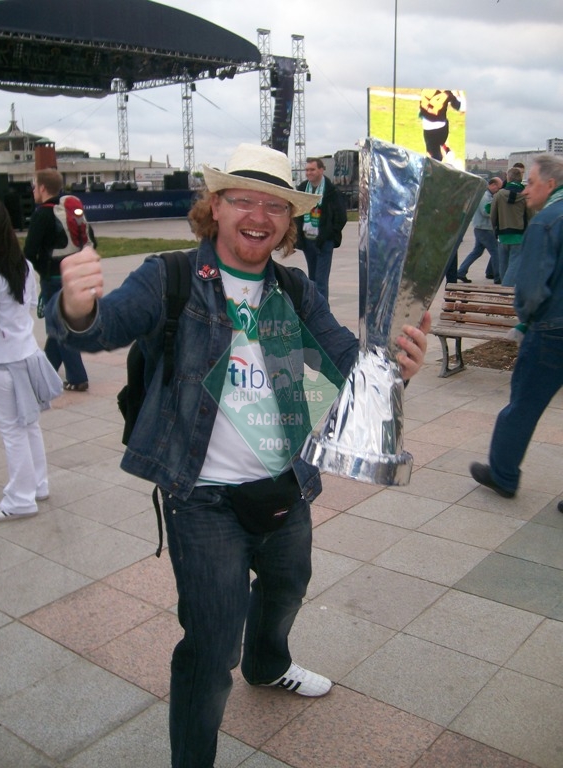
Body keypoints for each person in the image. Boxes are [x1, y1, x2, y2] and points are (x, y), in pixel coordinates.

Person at [45, 143, 430, 768]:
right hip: (202, 498)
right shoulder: (170, 278)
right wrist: (76, 306)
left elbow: (346, 366)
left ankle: (268, 664)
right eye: (243, 200)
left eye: (275, 205)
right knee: (211, 643)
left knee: (286, 592)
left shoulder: (295, 290)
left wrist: (394, 369)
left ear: (289, 220)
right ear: (216, 207)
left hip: (285, 486)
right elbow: (100, 327)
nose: (259, 216)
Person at [470, 154, 563, 498]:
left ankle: (503, 474)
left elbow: (532, 287)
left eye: (531, 183)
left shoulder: (546, 222)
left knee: (523, 405)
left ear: (550, 184)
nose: (525, 191)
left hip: (551, 331)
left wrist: (525, 320)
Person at [0, 199, 62, 521]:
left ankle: (20, 499)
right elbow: (29, 305)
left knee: (13, 431)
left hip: (1, 363)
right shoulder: (24, 266)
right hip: (27, 354)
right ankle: (37, 485)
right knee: (28, 426)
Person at [24, 168, 94, 391]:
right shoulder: (72, 211)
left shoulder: (42, 214)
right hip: (75, 278)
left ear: (43, 188)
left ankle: (77, 377)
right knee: (59, 326)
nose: (33, 190)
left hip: (54, 279)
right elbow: (91, 241)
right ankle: (46, 372)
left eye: (34, 186)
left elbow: (29, 251)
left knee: (60, 329)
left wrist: (42, 271)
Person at [294, 156, 347, 302]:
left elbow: (341, 216)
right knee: (312, 279)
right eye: (307, 170)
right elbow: (296, 212)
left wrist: (330, 234)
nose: (309, 173)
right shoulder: (302, 189)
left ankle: (323, 311)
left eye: (312, 169)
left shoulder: (331, 190)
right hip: (307, 240)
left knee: (321, 280)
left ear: (321, 170)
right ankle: (313, 308)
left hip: (324, 241)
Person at [457, 177, 502, 283]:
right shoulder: (485, 196)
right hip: (484, 228)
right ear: (493, 185)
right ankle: (498, 276)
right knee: (496, 252)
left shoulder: (487, 195)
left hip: (481, 228)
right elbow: (485, 211)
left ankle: (461, 272)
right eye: (498, 188)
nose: (498, 190)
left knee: (477, 252)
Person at [490, 166, 528, 286]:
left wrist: (494, 229)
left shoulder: (499, 195)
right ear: (520, 178)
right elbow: (530, 215)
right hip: (519, 236)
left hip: (502, 235)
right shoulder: (525, 195)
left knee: (504, 265)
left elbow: (493, 215)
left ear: (508, 178)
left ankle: (504, 288)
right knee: (514, 265)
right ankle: (506, 290)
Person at [419, 89, 464, 162]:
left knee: (433, 155)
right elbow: (460, 107)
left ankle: (440, 155)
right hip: (442, 126)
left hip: (428, 127)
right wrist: (459, 93)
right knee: (442, 141)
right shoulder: (448, 93)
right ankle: (446, 150)